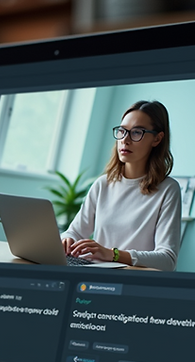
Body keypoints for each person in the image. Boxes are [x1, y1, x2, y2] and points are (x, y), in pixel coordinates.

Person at [61, 100, 181, 271]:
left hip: (129, 278)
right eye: (122, 131)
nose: (125, 140)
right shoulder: (102, 184)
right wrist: (67, 239)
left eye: (137, 132)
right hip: (94, 270)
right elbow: (74, 232)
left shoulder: (168, 190)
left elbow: (168, 260)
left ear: (157, 139)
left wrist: (113, 254)